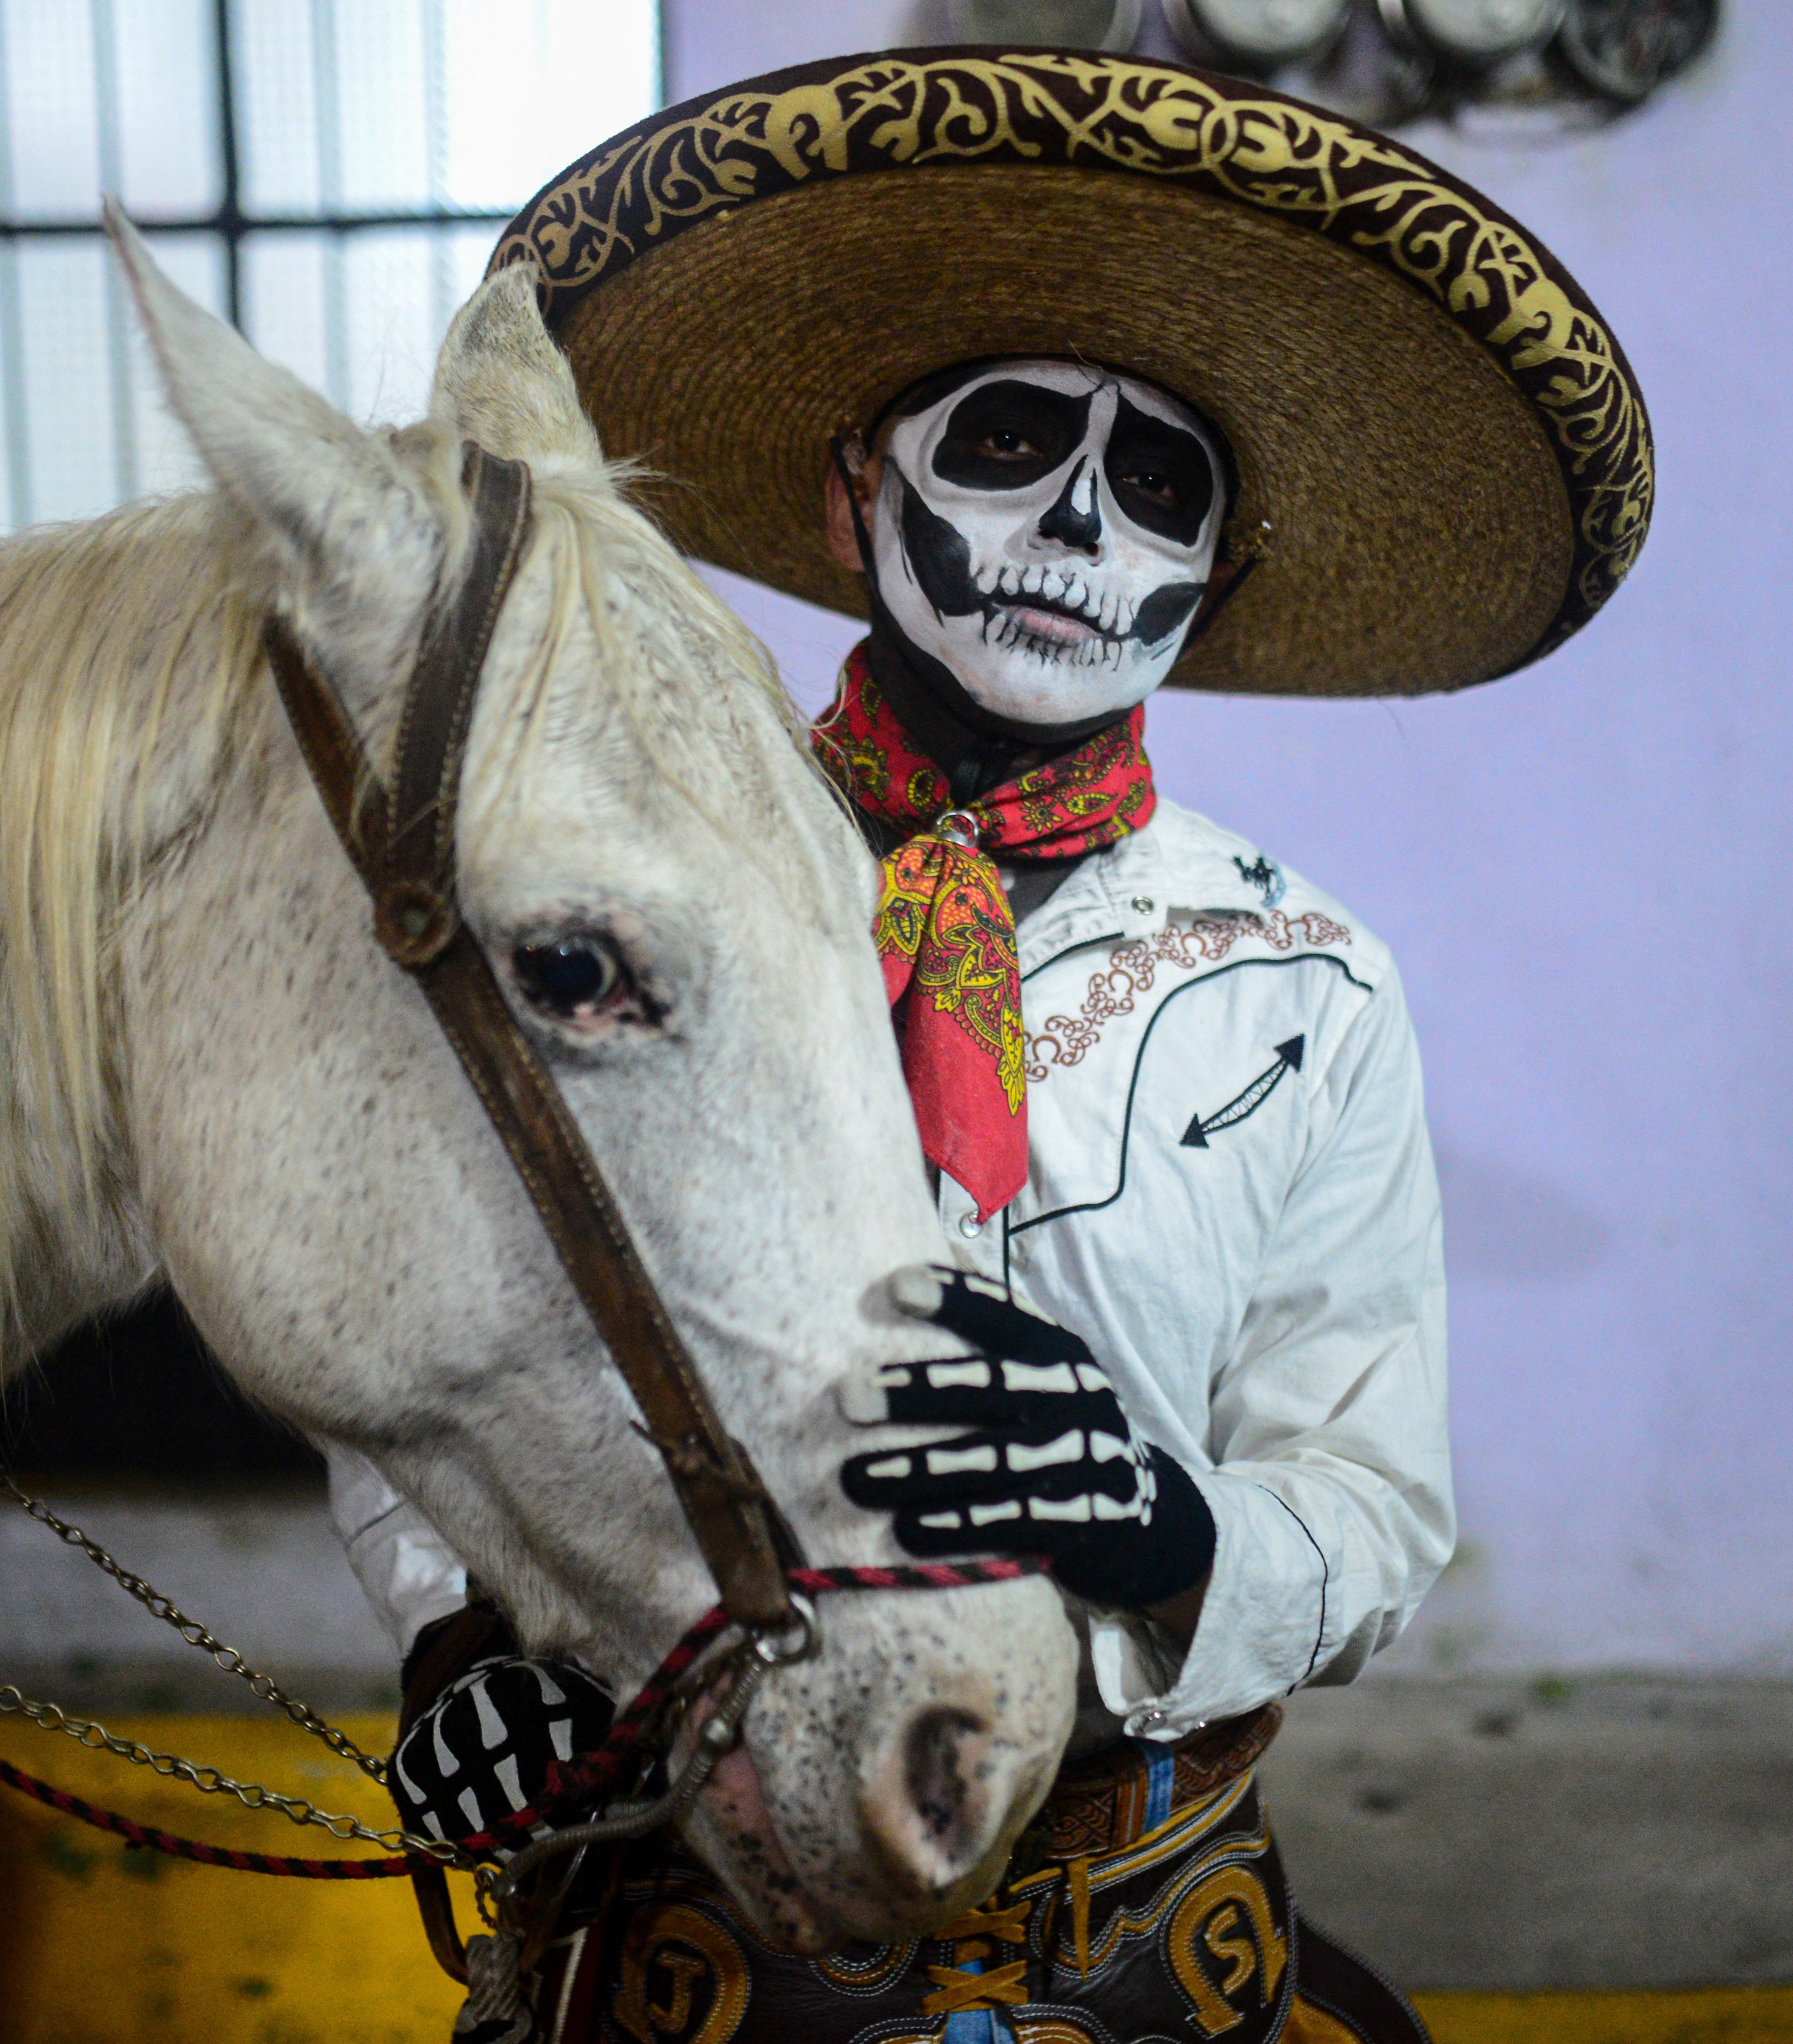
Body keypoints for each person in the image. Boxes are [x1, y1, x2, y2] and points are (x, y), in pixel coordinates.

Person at [329, 47, 1654, 2044]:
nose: (1070, 528)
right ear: (863, 481)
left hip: (1128, 1938)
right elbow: (422, 1332)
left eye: (1154, 485)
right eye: (1012, 441)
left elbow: (1372, 1499)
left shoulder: (1305, 981)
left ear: (1207, 581)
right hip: (687, 1923)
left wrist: (1173, 1520)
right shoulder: (620, 913)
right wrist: (456, 1632)